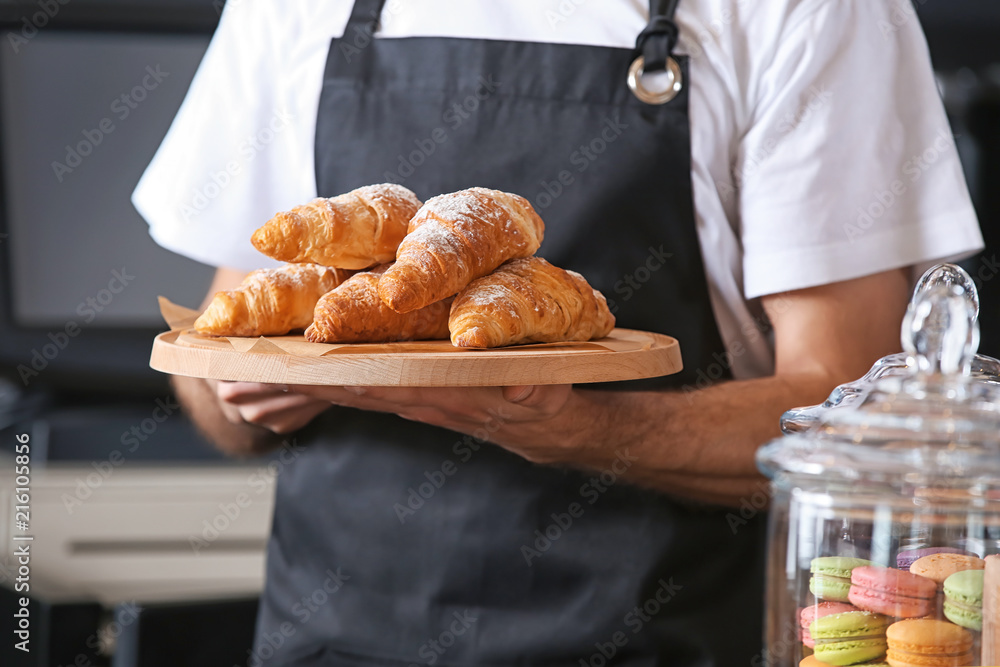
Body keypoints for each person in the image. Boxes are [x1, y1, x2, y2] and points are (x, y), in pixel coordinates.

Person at [133, 0, 983, 664]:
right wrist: (247, 390)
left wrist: (580, 429)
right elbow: (212, 366)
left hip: (659, 641)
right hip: (334, 639)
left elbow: (850, 418)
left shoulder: (814, 12)